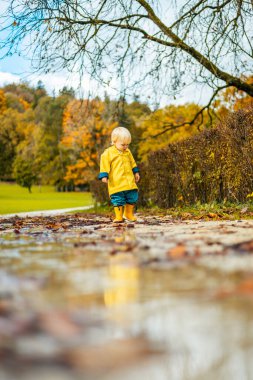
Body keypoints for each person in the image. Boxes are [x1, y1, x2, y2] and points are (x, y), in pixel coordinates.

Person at [98, 127, 140, 222]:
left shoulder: (128, 152)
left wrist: (136, 172)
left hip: (129, 182)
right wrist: (104, 175)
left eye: (127, 145)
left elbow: (132, 162)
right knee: (118, 199)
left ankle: (128, 214)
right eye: (123, 145)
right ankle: (119, 216)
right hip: (116, 182)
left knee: (132, 196)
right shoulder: (108, 153)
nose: (125, 147)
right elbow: (104, 164)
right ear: (114, 141)